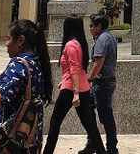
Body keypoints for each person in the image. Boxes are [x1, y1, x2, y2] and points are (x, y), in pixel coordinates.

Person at [0, 19, 52, 154]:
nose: (6, 44)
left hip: (12, 142)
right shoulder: (37, 62)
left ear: (20, 41)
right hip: (30, 138)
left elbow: (2, 97)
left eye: (8, 39)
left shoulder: (19, 64)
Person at [44, 17, 105, 154]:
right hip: (82, 87)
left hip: (71, 89)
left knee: (55, 122)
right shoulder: (80, 44)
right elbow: (76, 69)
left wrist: (75, 93)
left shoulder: (70, 45)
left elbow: (74, 69)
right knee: (90, 125)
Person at [88, 14, 119, 154]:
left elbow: (98, 62)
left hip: (101, 83)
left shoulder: (102, 39)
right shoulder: (110, 37)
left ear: (99, 26)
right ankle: (92, 143)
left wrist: (89, 79)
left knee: (106, 117)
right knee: (88, 112)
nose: (90, 29)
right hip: (105, 82)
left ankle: (111, 148)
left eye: (91, 26)